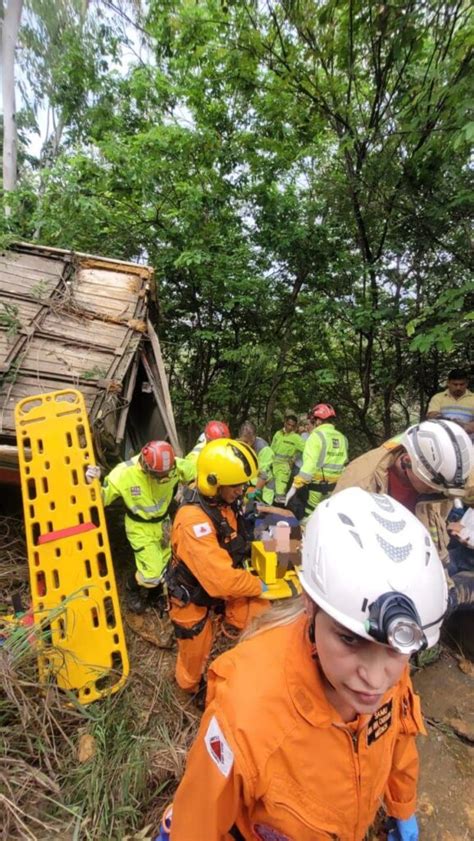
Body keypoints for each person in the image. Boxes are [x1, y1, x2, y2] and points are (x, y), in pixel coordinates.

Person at [164, 488, 448, 841]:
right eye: (349, 639)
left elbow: (399, 738)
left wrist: (402, 807)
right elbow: (198, 823)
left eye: (393, 651)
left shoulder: (392, 667)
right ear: (310, 607)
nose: (375, 680)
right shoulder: (246, 716)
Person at [334, 419, 474, 612]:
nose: (440, 493)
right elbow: (342, 549)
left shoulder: (450, 471)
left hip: (426, 566)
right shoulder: (360, 482)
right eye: (433, 486)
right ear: (407, 461)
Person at [166, 438, 268, 694]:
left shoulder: (224, 503)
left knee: (265, 616)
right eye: (236, 485)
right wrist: (261, 585)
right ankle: (190, 688)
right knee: (194, 652)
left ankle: (255, 661)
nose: (242, 490)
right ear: (214, 482)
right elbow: (222, 581)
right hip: (194, 597)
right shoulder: (192, 522)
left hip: (224, 588)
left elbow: (236, 538)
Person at [87, 441, 195, 613]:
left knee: (167, 563)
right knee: (151, 573)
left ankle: (155, 595)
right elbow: (101, 499)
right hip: (139, 527)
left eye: (167, 475)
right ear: (146, 466)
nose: (164, 479)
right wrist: (92, 483)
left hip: (163, 523)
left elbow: (195, 472)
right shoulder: (124, 473)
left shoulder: (174, 466)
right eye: (159, 476)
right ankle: (132, 589)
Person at [285, 403, 348, 520]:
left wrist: (294, 486)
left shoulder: (316, 437)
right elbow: (343, 464)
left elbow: (308, 467)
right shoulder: (342, 438)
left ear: (318, 421)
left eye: (313, 421)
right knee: (328, 516)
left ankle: (305, 536)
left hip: (317, 488)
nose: (311, 424)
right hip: (334, 488)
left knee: (309, 517)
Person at [427, 369, 474, 438]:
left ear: (467, 383)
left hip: (469, 443)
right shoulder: (438, 398)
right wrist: (455, 424)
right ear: (448, 383)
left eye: (462, 384)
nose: (458, 387)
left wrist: (468, 426)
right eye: (455, 384)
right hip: (443, 440)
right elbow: (432, 416)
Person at [238, 420, 275, 505]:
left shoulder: (264, 449)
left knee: (263, 510)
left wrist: (254, 494)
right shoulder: (240, 444)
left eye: (247, 442)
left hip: (265, 487)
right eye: (243, 441)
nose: (245, 445)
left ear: (254, 437)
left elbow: (263, 475)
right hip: (251, 483)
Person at [270, 412, 305, 500]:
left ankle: (279, 511)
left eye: (292, 426)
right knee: (269, 492)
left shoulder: (296, 438)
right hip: (272, 466)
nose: (290, 427)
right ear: (285, 423)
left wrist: (294, 458)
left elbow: (307, 450)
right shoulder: (278, 434)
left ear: (295, 426)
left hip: (284, 469)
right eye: (288, 424)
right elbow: (271, 449)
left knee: (280, 495)